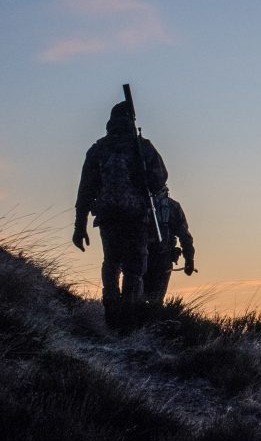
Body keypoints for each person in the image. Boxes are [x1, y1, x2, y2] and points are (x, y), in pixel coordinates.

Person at [73, 101, 168, 328]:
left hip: (107, 217)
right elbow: (160, 179)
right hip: (136, 216)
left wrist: (80, 226)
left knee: (111, 262)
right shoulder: (142, 147)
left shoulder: (97, 149)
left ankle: (111, 309)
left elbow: (85, 190)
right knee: (134, 268)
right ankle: (128, 315)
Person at [144, 187, 196, 305]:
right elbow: (185, 236)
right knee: (156, 302)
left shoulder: (137, 202)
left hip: (140, 258)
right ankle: (153, 321)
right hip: (163, 259)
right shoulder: (173, 206)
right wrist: (189, 259)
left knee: (134, 299)